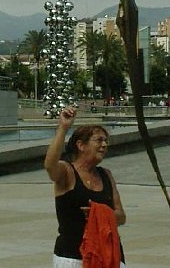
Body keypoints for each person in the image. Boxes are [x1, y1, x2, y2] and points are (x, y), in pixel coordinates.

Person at [44, 106, 126, 268]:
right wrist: (63, 128)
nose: (104, 145)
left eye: (105, 141)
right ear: (81, 145)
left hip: (107, 254)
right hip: (73, 257)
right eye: (99, 140)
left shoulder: (106, 175)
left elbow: (121, 216)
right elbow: (49, 165)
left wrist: (99, 213)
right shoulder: (67, 172)